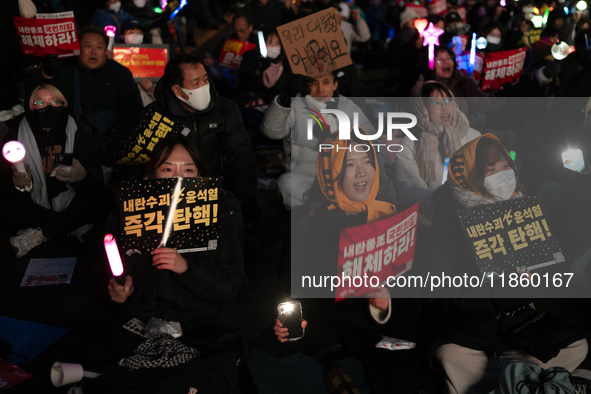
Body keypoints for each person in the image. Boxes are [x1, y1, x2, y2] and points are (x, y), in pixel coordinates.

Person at [247, 131, 434, 394]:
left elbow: (417, 294)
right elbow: (288, 289)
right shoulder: (307, 221)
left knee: (399, 374)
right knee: (263, 357)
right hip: (317, 328)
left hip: (374, 333)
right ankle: (337, 374)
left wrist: (385, 303)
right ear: (330, 172)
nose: (361, 172)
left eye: (367, 161)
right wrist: (286, 321)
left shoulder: (393, 218)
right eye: (349, 164)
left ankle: (341, 372)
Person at [77, 134, 247, 392]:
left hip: (198, 325)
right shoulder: (125, 212)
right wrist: (116, 291)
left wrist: (188, 269)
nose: (177, 177)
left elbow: (231, 288)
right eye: (167, 169)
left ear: (200, 174)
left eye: (188, 169)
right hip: (138, 321)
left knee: (226, 357)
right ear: (152, 173)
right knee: (84, 351)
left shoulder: (220, 214)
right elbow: (102, 279)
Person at [423, 134, 590, 394]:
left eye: (505, 167)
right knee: (450, 355)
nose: (502, 175)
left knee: (578, 345)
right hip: (475, 330)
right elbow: (444, 295)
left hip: (525, 325)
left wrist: (576, 177)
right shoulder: (447, 224)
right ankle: (525, 381)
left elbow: (568, 247)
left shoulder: (527, 209)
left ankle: (511, 381)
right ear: (469, 176)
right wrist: (504, 288)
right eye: (490, 171)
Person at [144, 54, 259, 228]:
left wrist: (245, 199)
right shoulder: (154, 117)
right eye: (196, 83)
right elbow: (144, 163)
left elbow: (241, 154)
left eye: (205, 80)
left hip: (217, 189)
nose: (203, 86)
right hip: (170, 197)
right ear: (177, 90)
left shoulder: (225, 109)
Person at [0, 83, 114, 258]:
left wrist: (82, 175)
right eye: (40, 103)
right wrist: (17, 184)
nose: (48, 108)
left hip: (72, 199)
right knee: (6, 207)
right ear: (30, 107)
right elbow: (4, 181)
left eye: (55, 102)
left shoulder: (80, 131)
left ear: (64, 104)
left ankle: (39, 233)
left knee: (105, 197)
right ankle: (73, 227)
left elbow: (97, 178)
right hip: (34, 204)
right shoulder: (14, 135)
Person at [261, 71, 377, 209]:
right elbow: (271, 131)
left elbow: (372, 141)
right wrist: (284, 100)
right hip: (304, 178)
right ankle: (325, 209)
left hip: (341, 180)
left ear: (335, 85)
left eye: (326, 82)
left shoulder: (347, 107)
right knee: (286, 184)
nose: (320, 89)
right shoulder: (295, 104)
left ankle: (330, 208)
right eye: (314, 83)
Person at [30, 25, 143, 140]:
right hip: (69, 139)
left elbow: (134, 110)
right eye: (88, 46)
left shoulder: (120, 73)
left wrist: (116, 134)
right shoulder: (63, 69)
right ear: (78, 49)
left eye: (99, 47)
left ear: (105, 50)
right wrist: (45, 74)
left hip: (110, 142)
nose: (93, 52)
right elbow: (34, 99)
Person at [395, 81, 480, 218]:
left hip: (474, 215)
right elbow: (408, 192)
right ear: (423, 109)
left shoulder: (474, 137)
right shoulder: (410, 144)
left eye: (448, 100)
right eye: (436, 103)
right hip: (432, 219)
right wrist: (440, 197)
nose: (445, 107)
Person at [237, 30, 291, 103]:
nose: (273, 46)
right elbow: (243, 79)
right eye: (269, 42)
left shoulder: (287, 66)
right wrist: (258, 70)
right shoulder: (251, 57)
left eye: (277, 43)